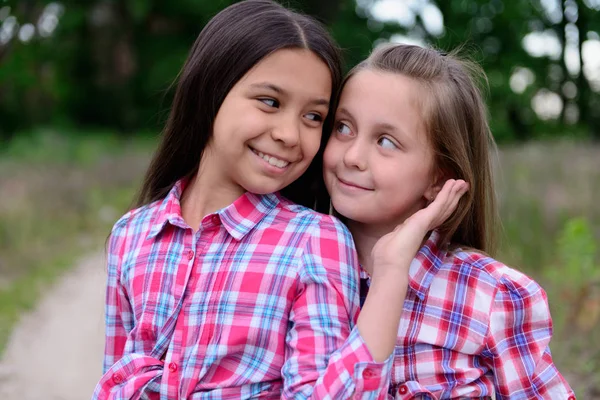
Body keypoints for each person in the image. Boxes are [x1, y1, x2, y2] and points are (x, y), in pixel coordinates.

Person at [92, 2, 467, 399]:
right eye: (270, 102)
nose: (290, 134)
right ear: (210, 91)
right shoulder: (132, 235)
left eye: (314, 117)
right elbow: (113, 376)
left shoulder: (315, 242)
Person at [323, 43, 576, 399]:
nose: (352, 156)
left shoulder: (491, 297)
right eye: (343, 127)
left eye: (385, 141)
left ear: (438, 179)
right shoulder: (297, 269)